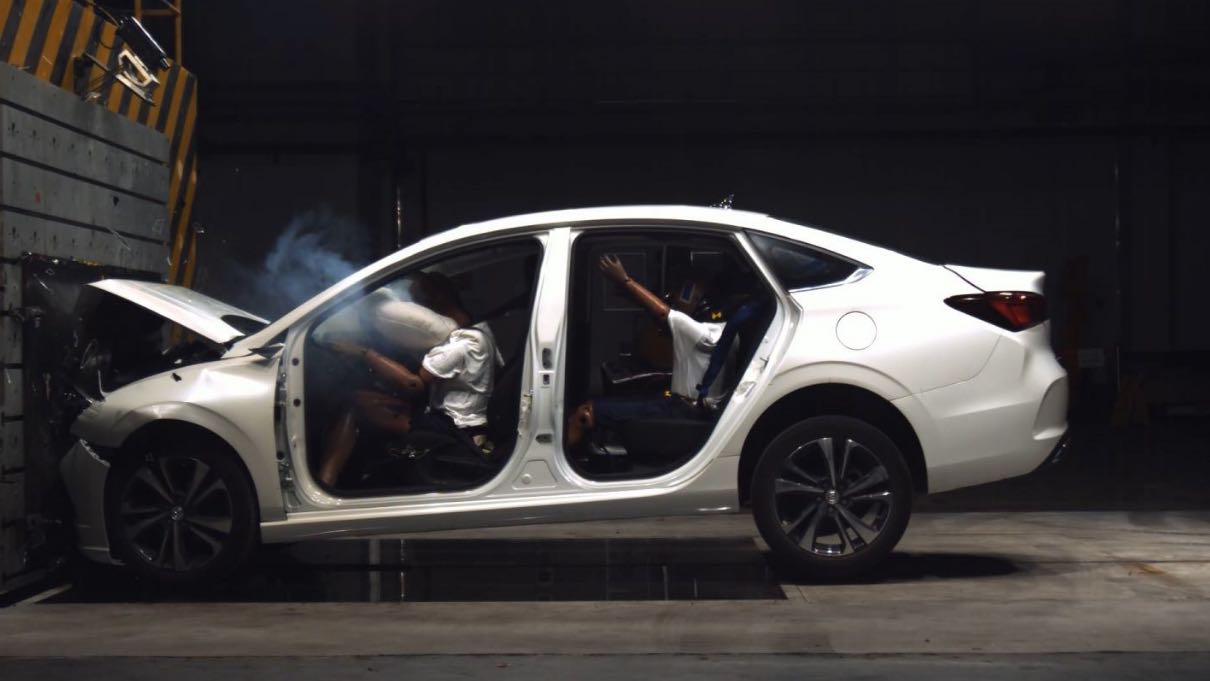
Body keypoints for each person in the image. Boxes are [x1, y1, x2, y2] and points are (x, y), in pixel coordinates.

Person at [316, 272, 501, 487]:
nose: (416, 307)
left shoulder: (464, 343)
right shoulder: (478, 333)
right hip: (451, 420)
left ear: (437, 298)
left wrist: (363, 352)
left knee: (355, 406)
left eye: (418, 301)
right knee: (365, 399)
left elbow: (414, 384)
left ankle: (325, 483)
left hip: (455, 429)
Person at [565, 254, 730, 453]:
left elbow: (663, 313)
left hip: (681, 410)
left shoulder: (703, 335)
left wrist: (625, 280)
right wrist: (631, 295)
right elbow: (665, 320)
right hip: (685, 404)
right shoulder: (722, 331)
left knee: (585, 412)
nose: (680, 299)